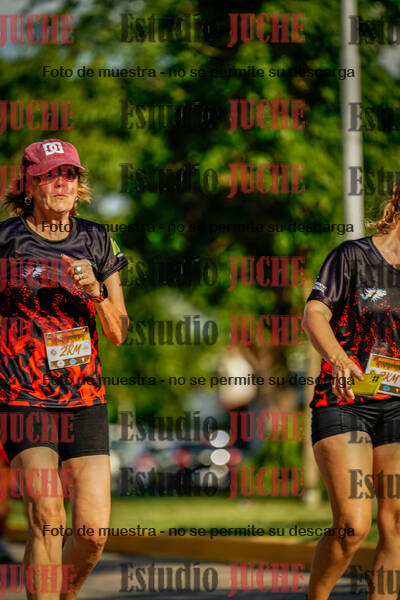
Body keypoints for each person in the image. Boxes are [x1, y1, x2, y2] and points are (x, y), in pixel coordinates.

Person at [0, 139, 129, 599]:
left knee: (92, 533)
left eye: (69, 175)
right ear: (29, 185)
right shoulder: (5, 240)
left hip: (84, 399)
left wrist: (96, 292)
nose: (61, 184)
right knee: (48, 518)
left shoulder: (97, 239)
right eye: (50, 176)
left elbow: (119, 331)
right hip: (21, 397)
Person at [303, 187, 400, 600]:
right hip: (346, 399)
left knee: (397, 522)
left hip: (398, 403)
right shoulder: (354, 257)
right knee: (352, 525)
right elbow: (314, 313)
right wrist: (339, 358)